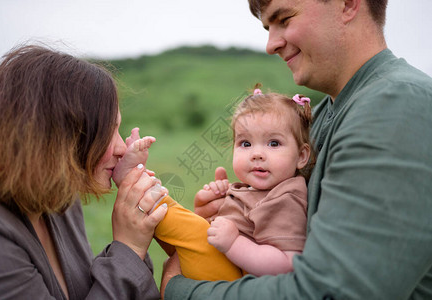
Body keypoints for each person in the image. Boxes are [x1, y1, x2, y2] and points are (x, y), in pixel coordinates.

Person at [161, 0, 432, 299]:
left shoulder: (397, 105)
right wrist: (231, 215)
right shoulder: (325, 115)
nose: (270, 44)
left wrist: (181, 290)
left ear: (348, 4)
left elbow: (333, 291)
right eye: (268, 27)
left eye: (284, 19)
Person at [0, 44, 168, 299]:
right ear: (61, 138)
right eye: (108, 131)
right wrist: (128, 248)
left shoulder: (61, 203)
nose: (121, 148)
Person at [113, 86, 314, 280]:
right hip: (224, 267)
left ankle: (132, 180)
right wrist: (223, 201)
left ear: (301, 156)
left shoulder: (286, 198)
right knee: (171, 224)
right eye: (246, 143)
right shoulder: (259, 190)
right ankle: (137, 187)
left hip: (237, 280)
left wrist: (234, 243)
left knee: (185, 227)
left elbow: (287, 263)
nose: (257, 154)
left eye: (273, 143)